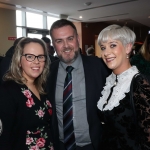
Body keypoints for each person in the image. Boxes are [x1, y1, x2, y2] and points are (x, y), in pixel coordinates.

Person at [47, 19, 110, 150]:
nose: (66, 45)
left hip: (93, 145)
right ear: (53, 44)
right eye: (59, 41)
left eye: (70, 38)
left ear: (78, 38)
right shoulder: (47, 72)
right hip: (60, 145)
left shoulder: (99, 66)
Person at [97, 24, 150, 150]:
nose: (106, 53)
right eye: (103, 48)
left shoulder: (139, 83)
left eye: (113, 45)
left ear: (128, 47)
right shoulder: (109, 81)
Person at [0, 37, 54, 150]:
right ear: (19, 60)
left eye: (41, 56)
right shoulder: (9, 90)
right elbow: (4, 138)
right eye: (30, 56)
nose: (36, 61)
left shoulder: (42, 86)